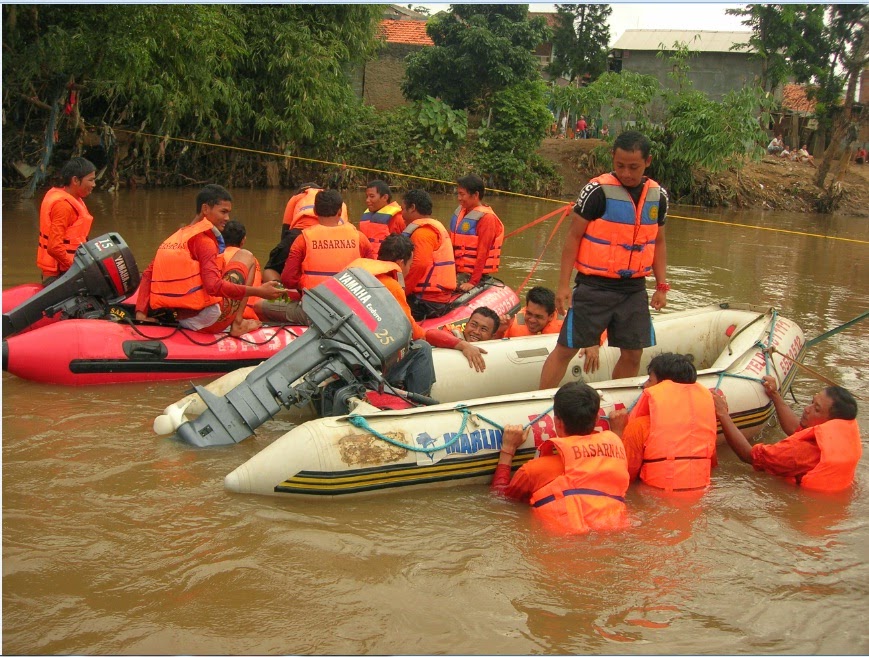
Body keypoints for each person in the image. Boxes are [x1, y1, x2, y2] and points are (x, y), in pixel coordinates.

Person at [539, 130, 669, 388]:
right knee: (567, 348)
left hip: (633, 289)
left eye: (634, 167)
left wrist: (662, 285)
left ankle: (615, 404)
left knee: (633, 352)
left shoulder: (658, 196)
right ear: (612, 158)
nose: (627, 173)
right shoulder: (596, 191)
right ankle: (541, 400)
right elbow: (573, 238)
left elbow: (658, 241)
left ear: (648, 162)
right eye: (620, 165)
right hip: (594, 286)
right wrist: (563, 285)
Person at [348, 234, 488, 396]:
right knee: (422, 348)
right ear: (401, 263)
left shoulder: (358, 274)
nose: (410, 268)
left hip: (350, 353)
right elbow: (415, 334)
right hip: (367, 365)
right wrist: (461, 344)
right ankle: (420, 402)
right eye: (411, 263)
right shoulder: (391, 286)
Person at [135, 184, 282, 336]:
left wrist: (141, 314)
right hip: (208, 320)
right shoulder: (205, 241)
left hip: (181, 317)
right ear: (205, 209)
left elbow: (147, 274)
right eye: (223, 212)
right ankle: (238, 323)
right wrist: (260, 291)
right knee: (246, 256)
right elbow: (213, 287)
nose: (227, 218)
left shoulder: (175, 238)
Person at [492, 381, 630, 534]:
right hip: (613, 535)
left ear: (556, 422)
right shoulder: (617, 453)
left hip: (562, 543)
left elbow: (500, 501)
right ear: (597, 419)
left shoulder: (534, 470)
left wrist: (508, 450)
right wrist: (618, 432)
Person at [714, 376, 862, 492]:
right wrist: (774, 395)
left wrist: (722, 413)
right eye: (811, 402)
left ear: (830, 422)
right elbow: (795, 429)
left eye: (816, 409)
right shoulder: (839, 438)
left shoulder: (798, 452)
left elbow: (749, 455)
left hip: (804, 507)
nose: (806, 409)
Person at [608, 353, 718, 491]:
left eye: (649, 380)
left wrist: (618, 433)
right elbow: (712, 465)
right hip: (700, 501)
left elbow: (622, 476)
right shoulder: (704, 424)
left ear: (661, 387)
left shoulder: (640, 427)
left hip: (654, 501)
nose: (645, 385)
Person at [263, 189, 373, 324]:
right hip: (350, 312)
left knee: (259, 306)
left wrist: (305, 282)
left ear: (315, 211)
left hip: (313, 313)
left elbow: (288, 279)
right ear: (340, 211)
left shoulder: (303, 239)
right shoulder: (360, 238)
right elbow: (371, 274)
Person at [262, 183, 349, 282]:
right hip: (337, 238)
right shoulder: (339, 202)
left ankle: (278, 290)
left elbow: (286, 231)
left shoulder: (296, 198)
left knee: (271, 269)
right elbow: (344, 228)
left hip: (299, 234)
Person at [36, 157, 97, 284]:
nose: (93, 185)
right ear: (75, 180)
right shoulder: (63, 206)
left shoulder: (72, 199)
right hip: (58, 275)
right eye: (90, 180)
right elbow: (54, 247)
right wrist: (79, 269)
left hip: (66, 270)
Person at [400, 189, 457, 321]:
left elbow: (420, 265)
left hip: (426, 301)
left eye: (403, 209)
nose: (401, 214)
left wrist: (402, 292)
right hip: (433, 297)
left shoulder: (422, 233)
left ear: (412, 208)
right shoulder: (435, 226)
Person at [449, 174, 504, 292]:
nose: (458, 198)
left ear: (475, 195)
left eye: (462, 194)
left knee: (447, 287)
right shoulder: (461, 212)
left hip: (471, 273)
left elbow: (483, 252)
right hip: (455, 268)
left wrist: (473, 282)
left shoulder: (487, 218)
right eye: (458, 194)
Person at [222, 220, 264, 321]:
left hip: (225, 316)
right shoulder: (252, 259)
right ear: (243, 240)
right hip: (251, 315)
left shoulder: (218, 256)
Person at [360, 180, 405, 257]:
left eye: (372, 196)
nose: (367, 200)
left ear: (385, 197)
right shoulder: (368, 216)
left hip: (387, 263)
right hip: (367, 262)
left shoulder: (398, 218)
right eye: (366, 196)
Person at [497, 286, 562, 338]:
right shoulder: (512, 324)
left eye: (538, 316)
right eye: (529, 313)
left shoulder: (566, 327)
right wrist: (499, 332)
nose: (532, 320)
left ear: (551, 316)